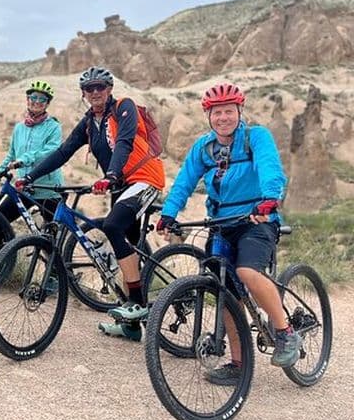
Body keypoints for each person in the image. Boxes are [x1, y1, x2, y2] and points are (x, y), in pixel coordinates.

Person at [156, 82, 296, 385]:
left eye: (228, 111)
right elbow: (184, 182)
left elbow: (271, 169)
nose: (223, 118)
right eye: (217, 112)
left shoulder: (255, 137)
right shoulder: (203, 148)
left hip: (257, 220)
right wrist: (169, 213)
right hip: (220, 223)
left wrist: (269, 198)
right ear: (209, 115)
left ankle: (286, 332)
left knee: (247, 271)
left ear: (238, 111)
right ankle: (238, 363)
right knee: (224, 290)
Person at [16, 66, 165, 341]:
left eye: (100, 87)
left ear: (109, 89)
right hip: (120, 184)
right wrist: (29, 177)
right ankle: (132, 326)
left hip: (145, 178)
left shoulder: (124, 107)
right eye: (89, 88)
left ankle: (135, 302)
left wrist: (110, 175)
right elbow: (63, 152)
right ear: (83, 93)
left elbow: (124, 142)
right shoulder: (88, 123)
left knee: (112, 226)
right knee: (127, 246)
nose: (95, 92)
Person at [0, 80, 64, 253]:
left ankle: (55, 276)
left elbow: (50, 152)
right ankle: (0, 268)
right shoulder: (19, 128)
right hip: (24, 188)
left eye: (42, 99)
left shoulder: (53, 127)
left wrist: (24, 159)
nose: (36, 102)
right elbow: (11, 155)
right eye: (33, 97)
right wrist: (0, 169)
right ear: (27, 99)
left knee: (52, 239)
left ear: (47, 104)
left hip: (48, 188)